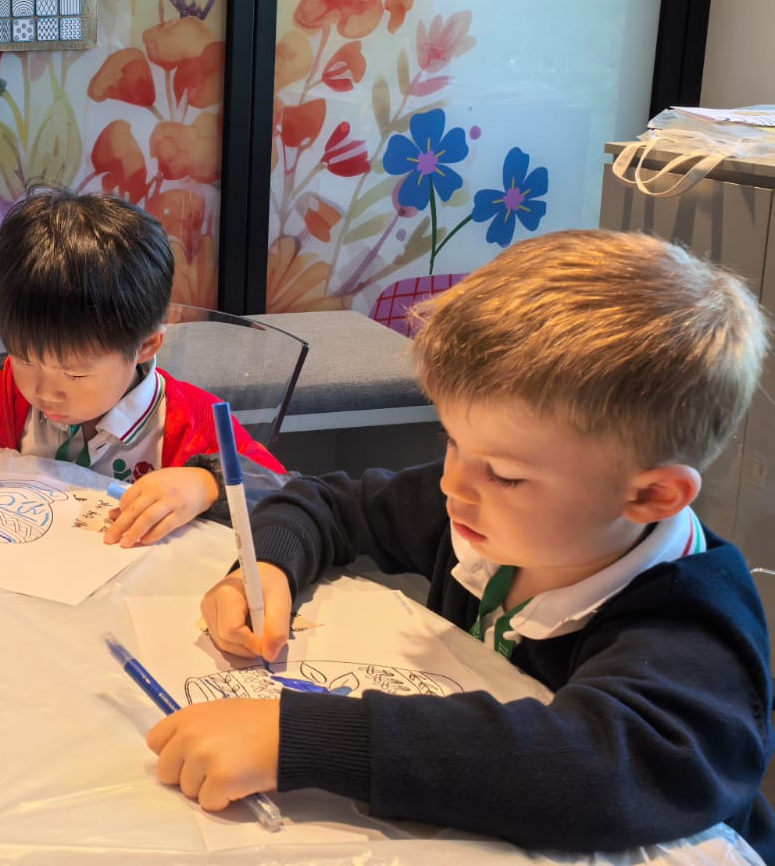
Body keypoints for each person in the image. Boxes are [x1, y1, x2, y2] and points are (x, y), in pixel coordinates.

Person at [150, 229, 774, 857]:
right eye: (452, 440)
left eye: (504, 473)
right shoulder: (485, 508)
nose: (452, 483)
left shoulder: (694, 626)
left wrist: (304, 740)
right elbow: (329, 502)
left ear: (650, 496)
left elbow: (602, 769)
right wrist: (266, 568)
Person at [0, 186, 287, 548]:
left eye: (76, 374)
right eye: (25, 358)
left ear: (146, 345)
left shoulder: (190, 420)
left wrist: (207, 484)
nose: (45, 391)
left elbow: (285, 493)